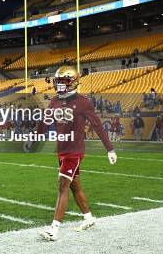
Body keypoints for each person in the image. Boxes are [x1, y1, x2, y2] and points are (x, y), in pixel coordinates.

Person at [38, 66, 116, 242]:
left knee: (62, 185)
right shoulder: (55, 101)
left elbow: (97, 125)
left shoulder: (82, 102)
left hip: (74, 151)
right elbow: (45, 122)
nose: (59, 85)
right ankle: (88, 217)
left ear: (73, 82)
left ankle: (54, 229)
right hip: (62, 150)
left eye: (63, 81)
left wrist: (109, 148)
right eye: (57, 81)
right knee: (75, 186)